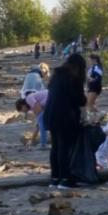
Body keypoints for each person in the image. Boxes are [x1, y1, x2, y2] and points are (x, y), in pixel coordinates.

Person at [43, 53, 87, 189]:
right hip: (65, 117)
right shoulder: (73, 78)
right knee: (64, 148)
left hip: (50, 115)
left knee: (55, 147)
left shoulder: (56, 76)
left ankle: (55, 178)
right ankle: (65, 179)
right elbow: (80, 100)